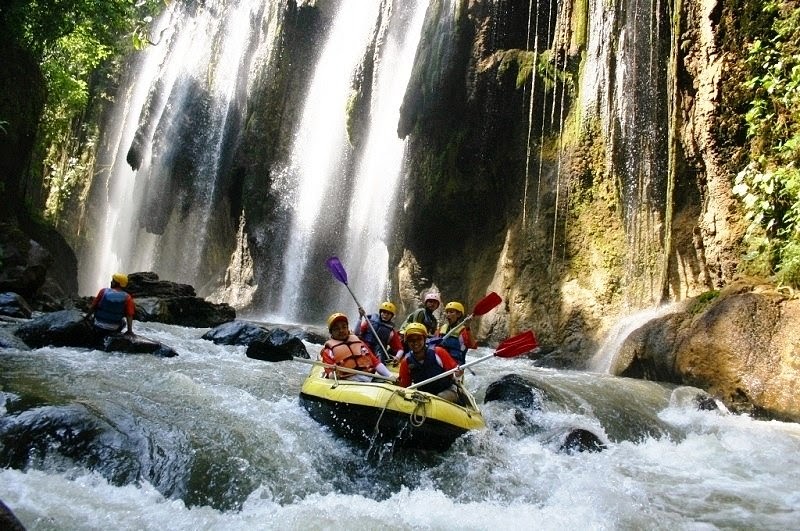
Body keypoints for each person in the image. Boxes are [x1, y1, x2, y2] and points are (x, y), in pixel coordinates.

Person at [396, 322, 461, 403]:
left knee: (440, 397)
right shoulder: (406, 362)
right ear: (407, 342)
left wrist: (457, 372)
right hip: (424, 395)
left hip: (447, 390)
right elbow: (405, 387)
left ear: (424, 339)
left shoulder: (438, 352)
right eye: (411, 340)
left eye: (419, 339)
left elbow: (456, 371)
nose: (415, 342)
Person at [321, 312, 394, 382]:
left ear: (348, 328)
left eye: (344, 327)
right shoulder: (328, 351)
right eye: (337, 329)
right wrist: (334, 375)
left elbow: (376, 363)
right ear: (331, 332)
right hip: (347, 381)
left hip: (368, 378)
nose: (341, 331)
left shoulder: (360, 343)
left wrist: (390, 375)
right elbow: (330, 373)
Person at [86, 273, 135, 338]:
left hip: (98, 325)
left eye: (113, 281)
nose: (111, 282)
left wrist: (86, 318)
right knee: (123, 322)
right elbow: (129, 315)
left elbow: (93, 307)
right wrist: (130, 331)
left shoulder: (103, 291)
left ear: (116, 283)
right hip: (114, 328)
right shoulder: (128, 297)